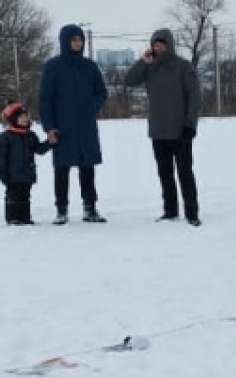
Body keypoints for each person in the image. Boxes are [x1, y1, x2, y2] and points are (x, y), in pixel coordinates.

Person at [125, 29, 202, 226]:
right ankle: (170, 211)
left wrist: (190, 124)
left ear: (169, 44)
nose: (157, 47)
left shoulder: (183, 67)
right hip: (158, 131)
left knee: (185, 173)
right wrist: (143, 62)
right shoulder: (150, 67)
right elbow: (129, 81)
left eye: (161, 44)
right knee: (165, 174)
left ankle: (192, 213)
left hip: (180, 131)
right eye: (155, 44)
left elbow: (194, 98)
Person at [39, 24, 108, 225]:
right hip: (62, 126)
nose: (78, 43)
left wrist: (91, 107)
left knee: (87, 168)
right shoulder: (53, 66)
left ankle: (90, 208)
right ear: (65, 41)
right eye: (74, 39)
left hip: (86, 126)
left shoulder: (90, 66)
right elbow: (45, 99)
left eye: (80, 39)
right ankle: (61, 210)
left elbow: (101, 92)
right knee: (61, 169)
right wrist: (49, 126)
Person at [1, 103, 55, 224]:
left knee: (25, 197)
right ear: (13, 119)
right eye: (21, 117)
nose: (25, 119)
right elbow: (2, 158)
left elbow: (39, 149)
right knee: (13, 197)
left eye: (26, 116)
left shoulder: (30, 135)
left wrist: (50, 143)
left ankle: (25, 217)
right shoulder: (6, 137)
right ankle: (13, 218)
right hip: (12, 176)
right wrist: (3, 174)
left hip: (27, 174)